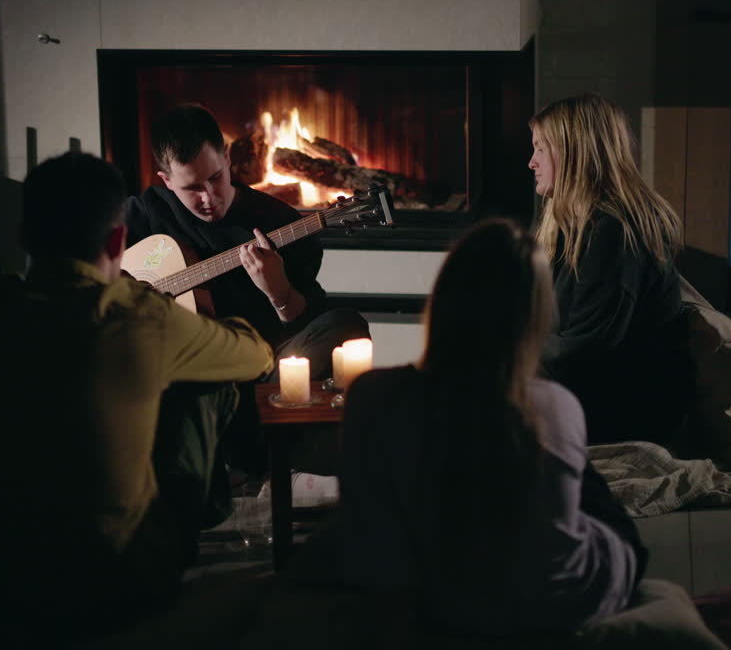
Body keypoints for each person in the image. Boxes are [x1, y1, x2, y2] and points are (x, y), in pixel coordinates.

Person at [0, 152, 273, 644]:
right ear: (119, 240)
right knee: (209, 378)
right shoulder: (139, 314)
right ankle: (196, 521)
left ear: (22, 237)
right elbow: (256, 357)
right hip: (114, 583)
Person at [335, 219, 646, 636]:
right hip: (552, 604)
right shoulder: (553, 404)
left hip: (430, 605)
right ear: (532, 319)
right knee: (603, 508)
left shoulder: (370, 395)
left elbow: (366, 525)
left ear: (442, 300)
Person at [125, 104, 369, 473]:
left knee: (346, 325)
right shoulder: (145, 214)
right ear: (166, 180)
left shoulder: (277, 223)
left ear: (226, 158)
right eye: (192, 188)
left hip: (258, 376)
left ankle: (238, 445)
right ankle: (252, 448)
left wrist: (279, 293)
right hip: (175, 376)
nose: (210, 198)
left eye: (216, 178)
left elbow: (309, 323)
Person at [529, 92, 693, 445]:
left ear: (575, 153)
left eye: (541, 149)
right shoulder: (573, 221)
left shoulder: (612, 231)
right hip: (595, 386)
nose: (532, 162)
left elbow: (587, 351)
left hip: (628, 407)